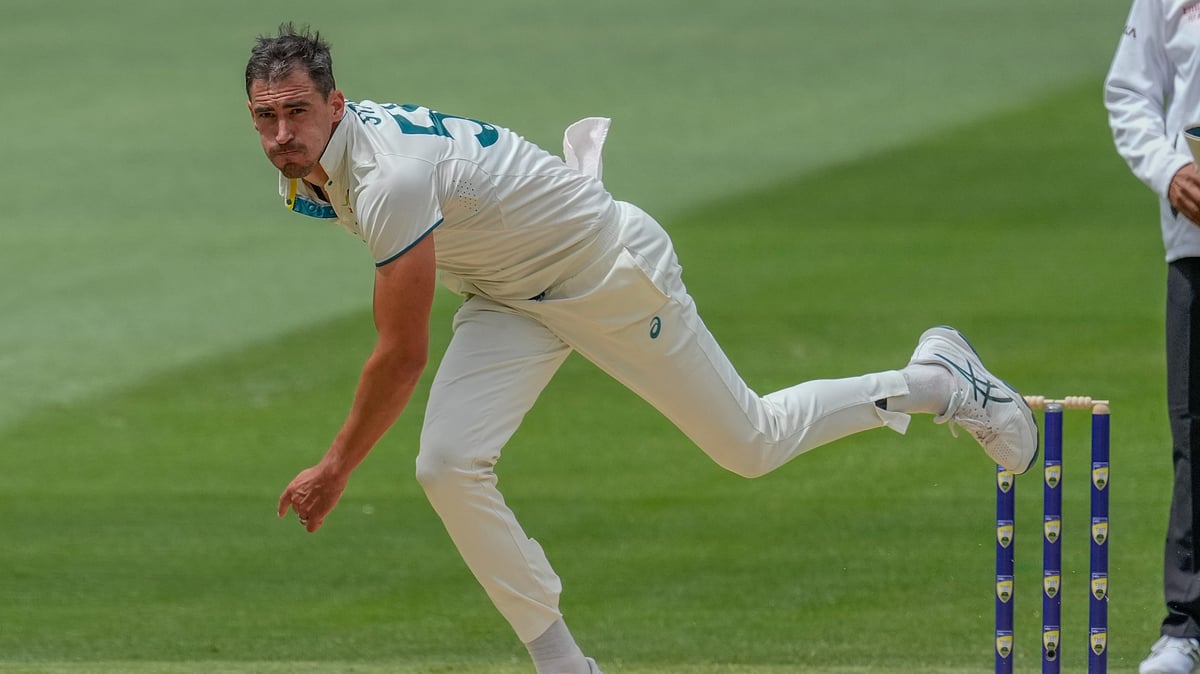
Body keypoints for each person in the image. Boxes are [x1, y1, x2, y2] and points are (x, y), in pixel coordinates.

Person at [250, 23, 1038, 674]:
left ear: (336, 104)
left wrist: (337, 466)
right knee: (446, 463)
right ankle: (563, 662)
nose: (283, 135)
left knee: (750, 444)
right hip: (508, 295)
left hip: (606, 274)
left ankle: (938, 379)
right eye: (265, 118)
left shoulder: (388, 179)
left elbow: (402, 355)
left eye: (297, 113)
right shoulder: (310, 171)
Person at [1106, 2, 1200, 673]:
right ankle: (1188, 628)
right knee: (1196, 433)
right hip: (1196, 239)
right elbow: (1130, 89)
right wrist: (1169, 170)